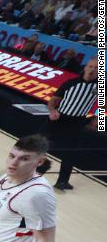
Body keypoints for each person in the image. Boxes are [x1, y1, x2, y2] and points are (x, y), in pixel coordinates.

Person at [44, 59, 97, 191]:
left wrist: (96, 121)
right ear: (85, 67)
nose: (92, 70)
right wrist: (52, 110)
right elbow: (54, 99)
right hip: (60, 118)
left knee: (70, 152)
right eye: (90, 66)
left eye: (96, 68)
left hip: (77, 121)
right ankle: (25, 167)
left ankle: (62, 182)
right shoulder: (71, 83)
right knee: (40, 143)